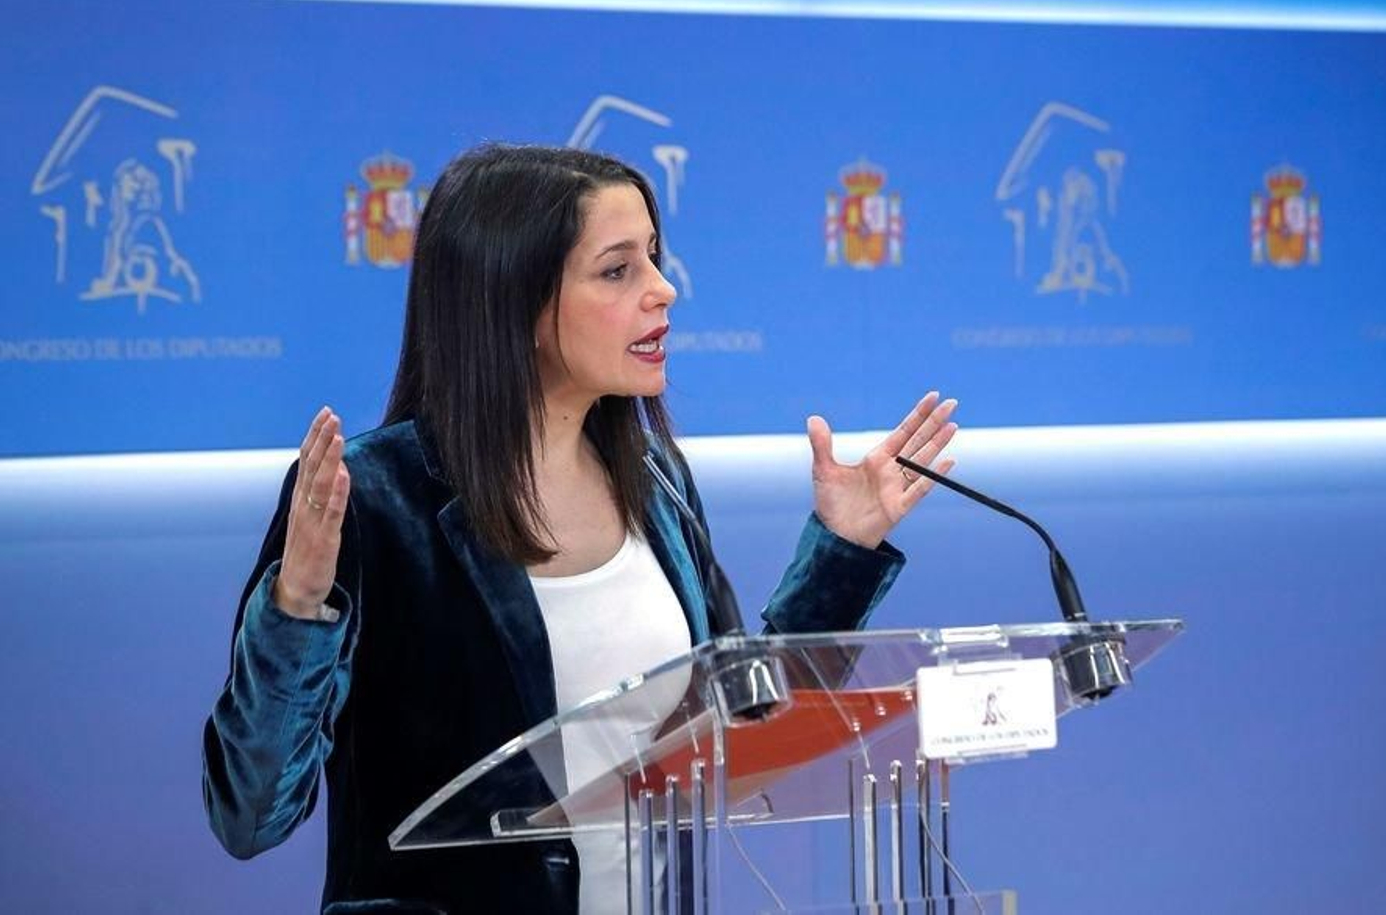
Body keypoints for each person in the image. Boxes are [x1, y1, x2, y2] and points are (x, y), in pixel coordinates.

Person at [202, 144, 958, 914]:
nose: (664, 289)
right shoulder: (372, 496)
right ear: (515, 299)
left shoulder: (657, 482)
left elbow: (742, 734)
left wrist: (842, 550)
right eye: (618, 269)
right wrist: (298, 608)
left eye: (654, 257)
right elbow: (252, 813)